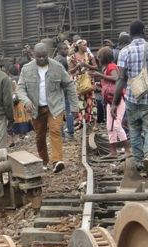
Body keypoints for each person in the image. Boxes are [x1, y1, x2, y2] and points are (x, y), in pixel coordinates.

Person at [17, 43, 79, 173]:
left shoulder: (57, 67)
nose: (41, 59)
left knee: (55, 130)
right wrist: (26, 101)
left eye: (44, 56)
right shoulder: (26, 69)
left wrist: (74, 106)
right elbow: (20, 88)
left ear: (48, 54)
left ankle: (57, 161)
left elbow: (69, 85)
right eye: (39, 56)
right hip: (36, 108)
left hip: (55, 107)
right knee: (40, 136)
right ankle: (43, 161)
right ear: (34, 55)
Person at [112, 20, 148, 173]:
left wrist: (115, 103)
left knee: (134, 130)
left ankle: (139, 160)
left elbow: (121, 79)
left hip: (132, 98)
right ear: (143, 31)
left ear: (130, 34)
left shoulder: (124, 52)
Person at [92, 47, 131, 158]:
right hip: (109, 100)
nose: (98, 59)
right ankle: (113, 152)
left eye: (99, 57)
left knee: (117, 125)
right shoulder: (105, 68)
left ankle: (128, 150)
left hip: (117, 99)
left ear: (103, 58)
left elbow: (116, 78)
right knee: (110, 126)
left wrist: (100, 76)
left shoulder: (111, 66)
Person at [69, 39, 98, 129]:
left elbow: (96, 67)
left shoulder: (89, 55)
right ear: (79, 46)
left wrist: (86, 65)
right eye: (84, 45)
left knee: (91, 101)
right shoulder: (73, 57)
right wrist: (78, 66)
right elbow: (70, 71)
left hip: (88, 81)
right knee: (80, 102)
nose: (86, 47)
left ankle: (94, 123)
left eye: (86, 45)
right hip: (79, 82)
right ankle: (82, 122)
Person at [54, 43, 74, 140]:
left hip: (58, 88)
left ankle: (61, 135)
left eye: (67, 49)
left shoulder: (55, 59)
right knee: (68, 110)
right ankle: (69, 133)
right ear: (59, 50)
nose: (67, 50)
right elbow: (63, 75)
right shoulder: (62, 60)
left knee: (59, 111)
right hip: (64, 88)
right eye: (64, 49)